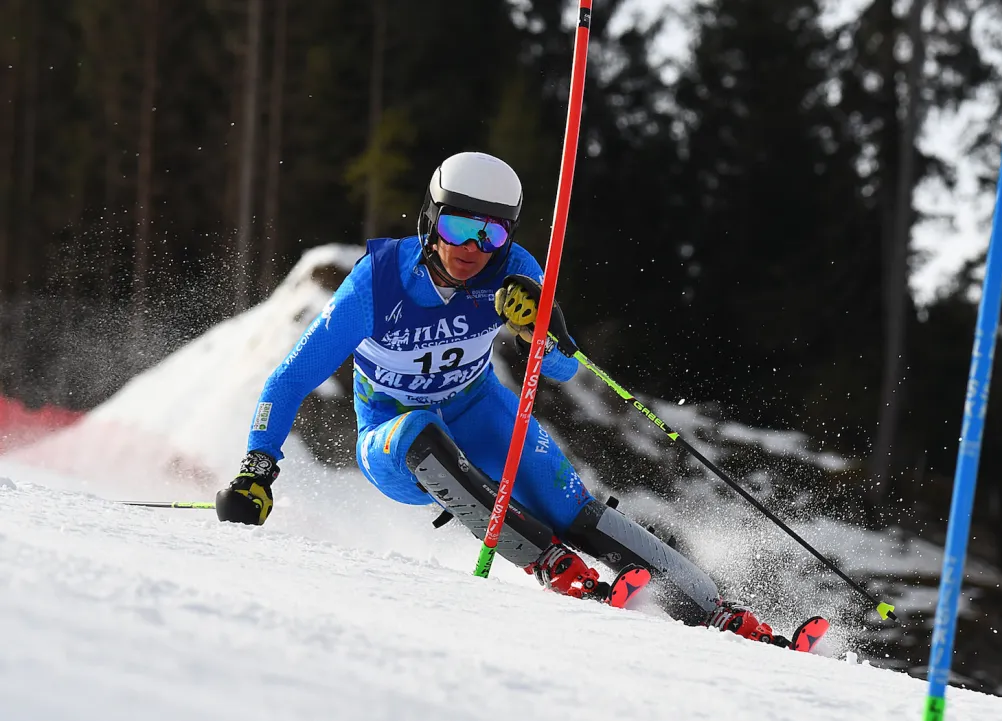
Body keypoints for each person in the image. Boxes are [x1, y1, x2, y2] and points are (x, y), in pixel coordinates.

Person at [215, 151, 787, 645]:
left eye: (490, 234)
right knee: (419, 432)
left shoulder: (513, 271)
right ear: (430, 220)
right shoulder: (376, 282)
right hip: (390, 434)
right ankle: (548, 563)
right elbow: (290, 378)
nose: (472, 248)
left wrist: (540, 327)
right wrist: (257, 468)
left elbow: (562, 368)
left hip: (477, 410)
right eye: (459, 227)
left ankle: (716, 610)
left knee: (568, 505)